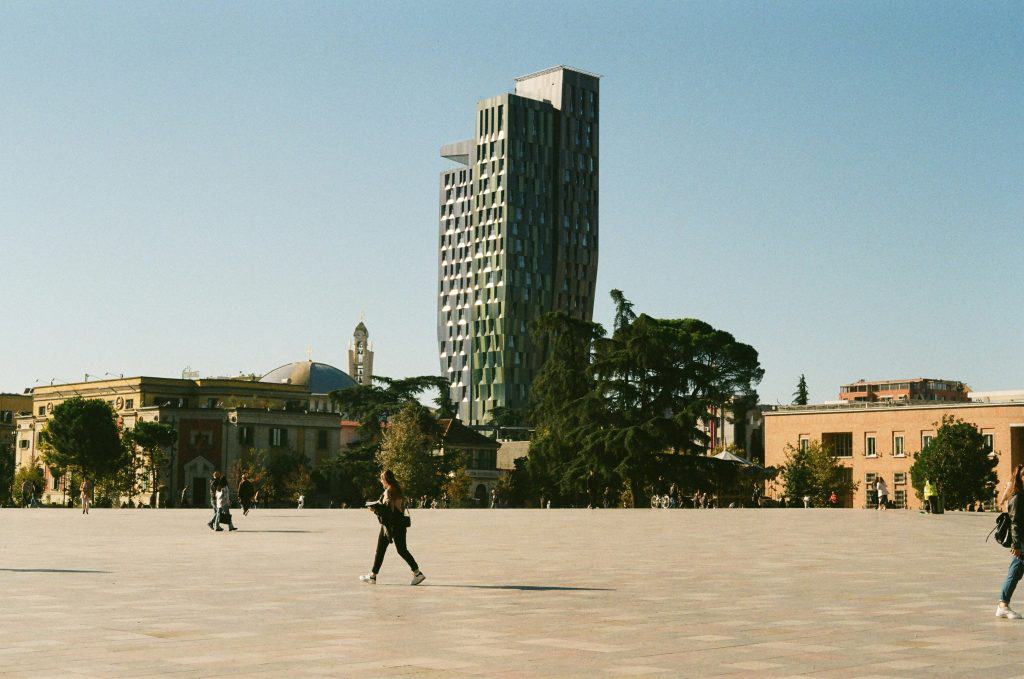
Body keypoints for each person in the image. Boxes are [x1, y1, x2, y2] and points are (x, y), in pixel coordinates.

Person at [360, 470, 425, 586]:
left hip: (390, 525)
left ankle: (373, 576)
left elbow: (388, 510)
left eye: (382, 479)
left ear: (386, 480)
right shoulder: (398, 489)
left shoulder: (388, 491)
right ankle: (416, 573)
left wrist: (375, 509)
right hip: (399, 524)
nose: (381, 481)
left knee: (381, 550)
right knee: (400, 550)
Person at [997, 465, 1024, 619]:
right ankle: (1003, 605)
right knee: (1015, 572)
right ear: (1019, 479)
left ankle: (1003, 604)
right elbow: (1015, 523)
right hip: (1021, 542)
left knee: (1015, 572)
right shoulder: (1017, 497)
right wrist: (1016, 545)